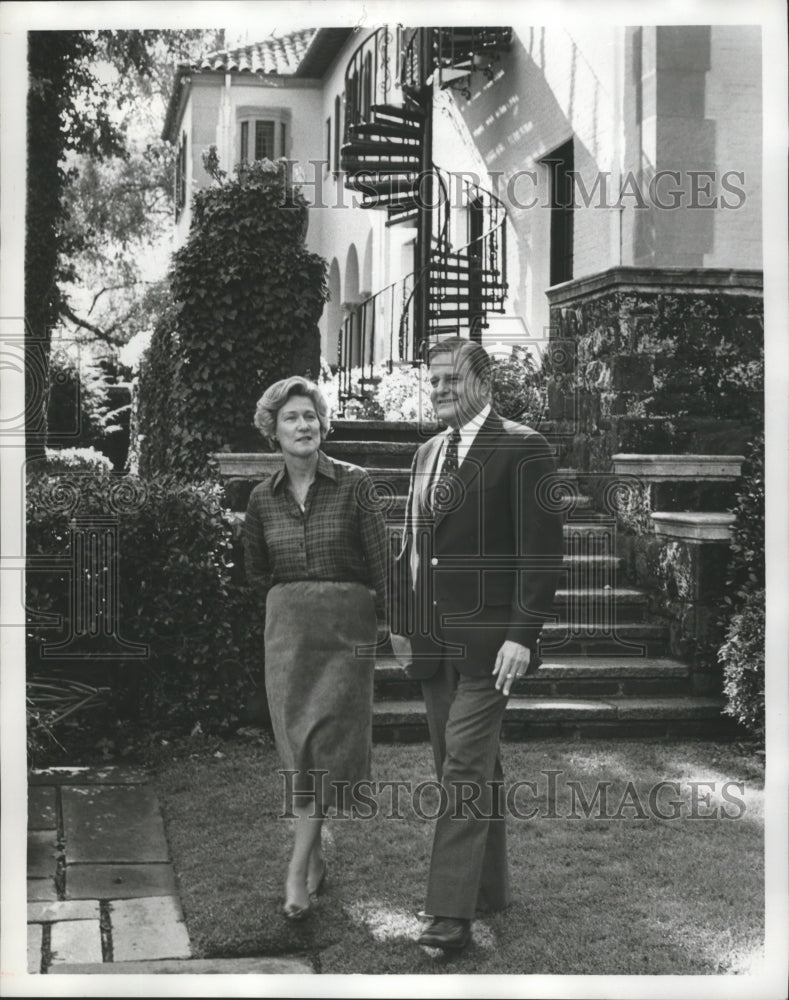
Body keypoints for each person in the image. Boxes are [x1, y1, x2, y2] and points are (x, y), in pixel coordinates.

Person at [390, 337, 564, 951]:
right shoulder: (427, 453)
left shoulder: (523, 448)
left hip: (494, 649)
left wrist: (523, 635)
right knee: (468, 765)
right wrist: (402, 622)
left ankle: (447, 916)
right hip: (434, 647)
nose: (440, 390)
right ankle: (488, 889)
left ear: (484, 385)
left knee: (462, 765)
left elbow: (541, 555)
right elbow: (414, 550)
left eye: (452, 380)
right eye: (433, 380)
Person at [243, 376, 388, 921]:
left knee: (323, 747)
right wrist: (289, 604)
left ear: (323, 424)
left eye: (310, 416)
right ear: (272, 431)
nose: (302, 426)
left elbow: (383, 564)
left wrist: (397, 626)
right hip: (288, 635)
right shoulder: (262, 498)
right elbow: (257, 570)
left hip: (345, 632)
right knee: (298, 749)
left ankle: (296, 870)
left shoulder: (357, 484)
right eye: (290, 418)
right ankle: (316, 857)